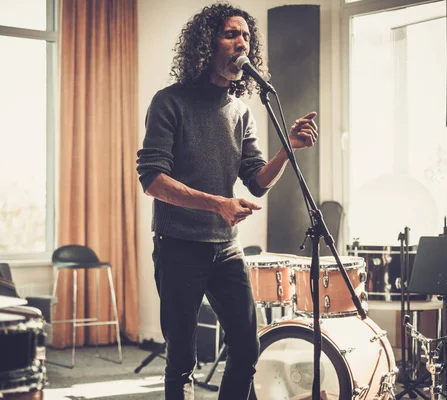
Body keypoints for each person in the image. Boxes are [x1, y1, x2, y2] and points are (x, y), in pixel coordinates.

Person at [136, 3, 318, 399]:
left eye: (247, 37)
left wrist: (287, 150)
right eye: (231, 34)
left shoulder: (242, 111)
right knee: (182, 358)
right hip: (179, 245)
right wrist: (218, 204)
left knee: (247, 347)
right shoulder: (169, 102)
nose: (242, 43)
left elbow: (255, 181)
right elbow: (152, 179)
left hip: (225, 249)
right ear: (206, 44)